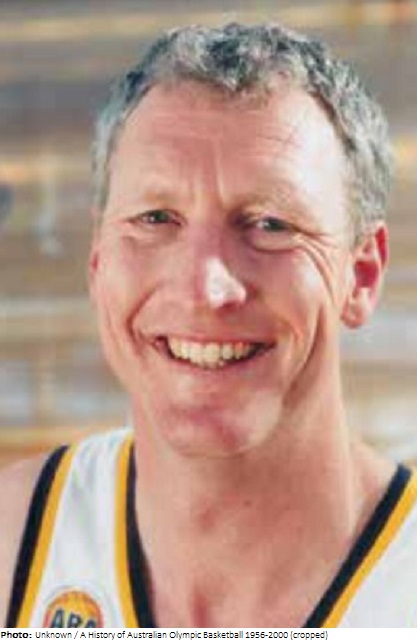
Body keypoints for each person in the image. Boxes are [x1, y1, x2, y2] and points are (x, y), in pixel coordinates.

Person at [0, 22, 414, 629]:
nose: (207, 287)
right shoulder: (13, 545)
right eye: (156, 217)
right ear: (97, 260)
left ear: (363, 273)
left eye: (271, 225)